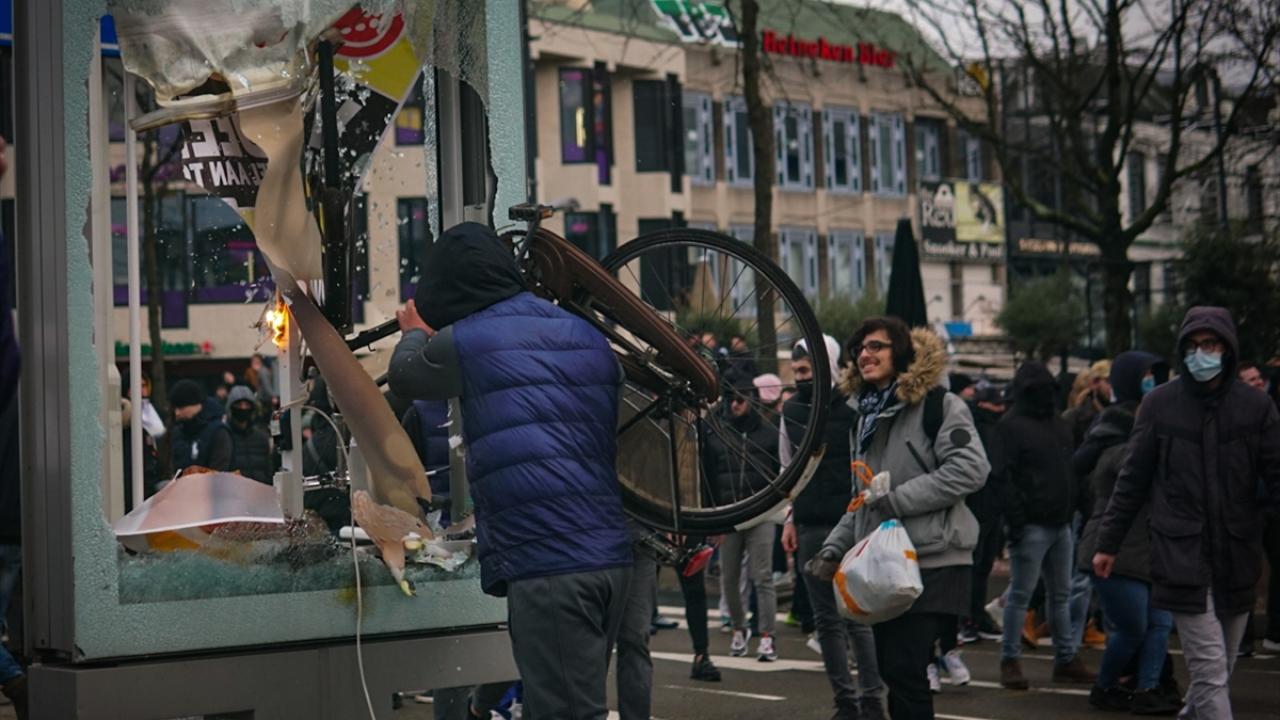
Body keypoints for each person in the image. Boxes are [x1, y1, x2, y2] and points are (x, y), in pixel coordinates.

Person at [388, 222, 632, 720]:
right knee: (579, 702)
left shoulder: (472, 339)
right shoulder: (583, 333)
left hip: (550, 563)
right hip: (609, 558)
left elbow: (406, 374)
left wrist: (413, 331)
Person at [1093, 307, 1280, 720]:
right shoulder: (1160, 405)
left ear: (1227, 349)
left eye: (1210, 345)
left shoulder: (1256, 408)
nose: (1202, 354)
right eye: (1194, 346)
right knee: (1211, 672)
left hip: (1236, 553)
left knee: (1218, 672)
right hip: (1181, 554)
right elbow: (1132, 479)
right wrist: (1108, 543)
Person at [811, 318, 989, 720]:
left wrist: (898, 499)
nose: (865, 355)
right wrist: (834, 548)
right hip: (887, 563)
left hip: (936, 557)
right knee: (895, 669)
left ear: (903, 352)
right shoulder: (866, 416)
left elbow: (972, 469)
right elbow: (864, 497)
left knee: (907, 667)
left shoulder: (939, 405)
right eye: (859, 349)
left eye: (877, 346)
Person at [780, 334, 884, 720]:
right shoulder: (790, 411)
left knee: (856, 618)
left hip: (851, 524)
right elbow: (786, 470)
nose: (801, 376)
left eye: (806, 369)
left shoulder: (856, 408)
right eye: (796, 370)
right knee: (828, 621)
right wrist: (789, 519)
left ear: (829, 365)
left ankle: (871, 700)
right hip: (808, 523)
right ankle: (847, 703)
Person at [1075, 351, 1179, 714]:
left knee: (1160, 623)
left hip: (1148, 547)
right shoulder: (1112, 431)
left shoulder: (1153, 423)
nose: (1153, 381)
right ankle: (1105, 686)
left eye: (1157, 374)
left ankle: (1148, 688)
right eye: (1146, 375)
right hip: (1113, 548)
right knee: (1135, 626)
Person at [992, 362, 1094, 689]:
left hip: (1054, 523)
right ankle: (1020, 659)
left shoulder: (1041, 424)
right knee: (1032, 595)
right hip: (1039, 524)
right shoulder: (1024, 425)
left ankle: (1061, 657)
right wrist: (1018, 521)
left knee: (1049, 594)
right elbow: (1001, 477)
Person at [706, 379, 780, 661]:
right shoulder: (717, 431)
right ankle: (739, 628)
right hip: (729, 513)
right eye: (730, 398)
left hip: (760, 512)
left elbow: (778, 470)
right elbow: (709, 473)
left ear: (752, 399)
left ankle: (767, 636)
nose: (735, 403)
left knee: (762, 576)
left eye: (740, 398)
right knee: (729, 577)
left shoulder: (769, 433)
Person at [960, 383, 1006, 643]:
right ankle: (968, 618)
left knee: (981, 566)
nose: (1000, 408)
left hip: (989, 507)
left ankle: (973, 616)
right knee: (974, 566)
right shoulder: (978, 428)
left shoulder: (990, 428)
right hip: (979, 506)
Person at [168, 379, 233, 474]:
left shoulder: (218, 432)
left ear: (196, 405)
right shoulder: (179, 430)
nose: (177, 413)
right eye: (175, 408)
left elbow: (219, 471)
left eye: (181, 408)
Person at [224, 385, 273, 484]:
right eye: (239, 404)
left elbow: (268, 469)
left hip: (260, 494)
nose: (243, 408)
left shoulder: (261, 438)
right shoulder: (224, 437)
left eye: (247, 404)